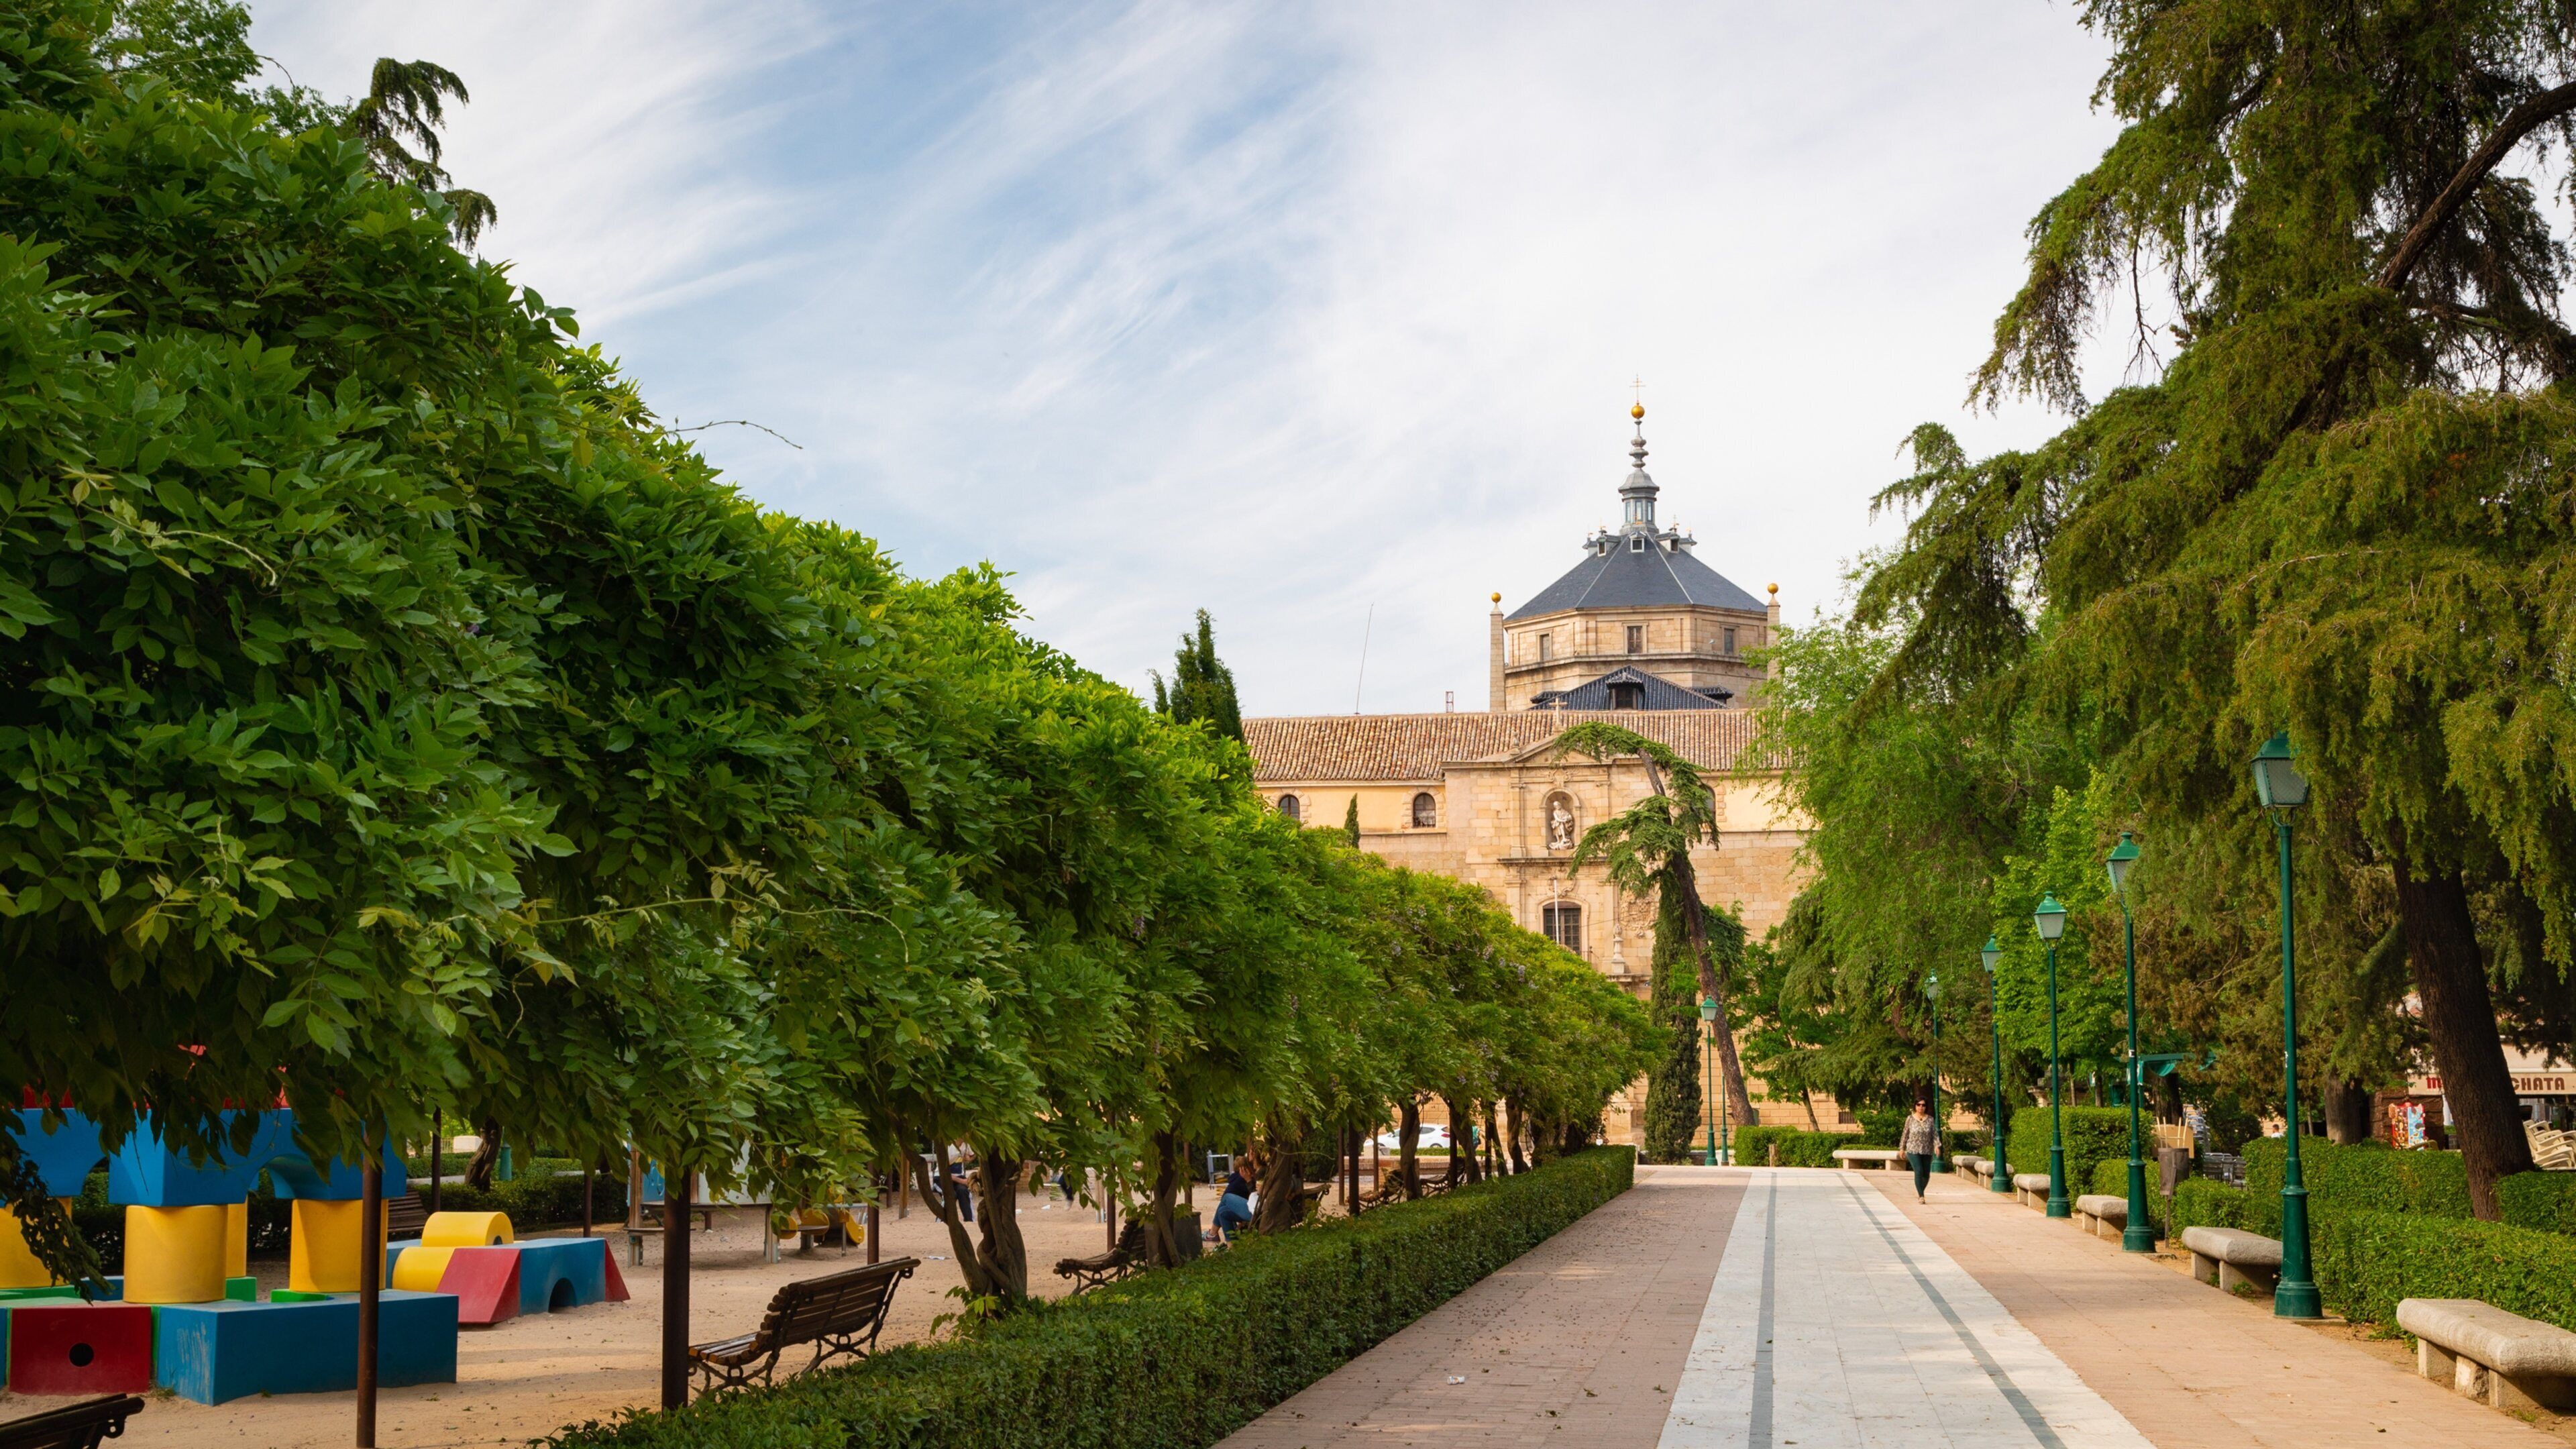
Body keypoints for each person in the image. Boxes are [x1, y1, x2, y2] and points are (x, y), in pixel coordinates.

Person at [1900, 1097, 1941, 1202]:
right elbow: (1905, 1134)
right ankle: (1921, 1196)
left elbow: (1934, 1134)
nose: (1921, 1107)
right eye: (1919, 1105)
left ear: (1926, 1107)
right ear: (1915, 1106)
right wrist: (1902, 1148)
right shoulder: (1910, 1119)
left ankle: (1920, 1190)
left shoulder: (1930, 1119)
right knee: (1918, 1171)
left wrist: (1937, 1146)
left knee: (1926, 1174)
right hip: (1913, 1149)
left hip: (1927, 1150)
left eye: (1923, 1105)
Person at [1211, 1151, 1257, 1242]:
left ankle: (1213, 1233)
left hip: (1256, 1211)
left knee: (1226, 1197)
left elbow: (1255, 1196)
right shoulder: (1251, 1176)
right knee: (1222, 1211)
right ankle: (1232, 1246)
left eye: (1252, 1152)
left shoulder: (1247, 1179)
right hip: (1255, 1208)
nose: (1250, 1154)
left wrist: (1248, 1180)